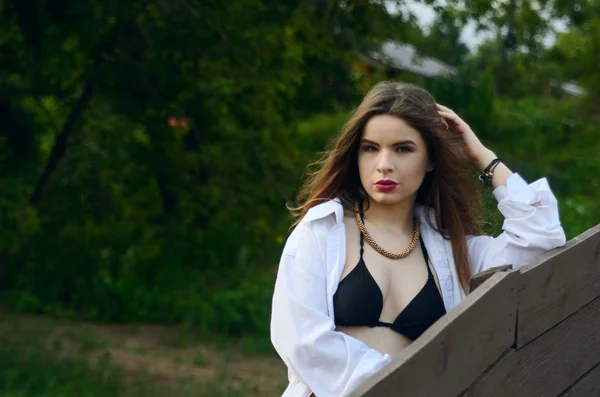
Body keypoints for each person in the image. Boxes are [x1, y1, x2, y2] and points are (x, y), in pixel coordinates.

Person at [270, 81, 566, 397]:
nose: (384, 164)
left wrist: (482, 157)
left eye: (403, 149)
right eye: (370, 148)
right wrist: (400, 385)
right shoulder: (323, 230)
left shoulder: (451, 249)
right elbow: (302, 341)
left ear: (430, 160)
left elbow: (539, 238)